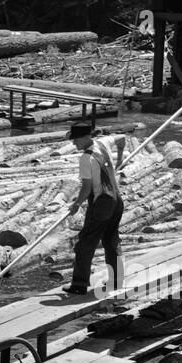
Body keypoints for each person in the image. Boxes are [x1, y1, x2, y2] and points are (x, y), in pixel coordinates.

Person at [63, 122, 125, 296]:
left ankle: (79, 284)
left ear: (85, 137)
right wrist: (119, 158)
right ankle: (116, 280)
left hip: (102, 203)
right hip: (117, 201)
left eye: (75, 140)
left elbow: (87, 188)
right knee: (111, 241)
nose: (74, 143)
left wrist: (76, 204)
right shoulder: (103, 143)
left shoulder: (85, 158)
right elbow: (122, 139)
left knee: (85, 243)